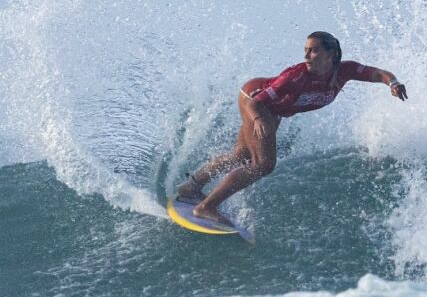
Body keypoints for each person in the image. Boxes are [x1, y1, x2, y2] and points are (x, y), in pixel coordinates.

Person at [175, 31, 408, 224]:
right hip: (256, 100)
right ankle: (206, 207)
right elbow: (257, 102)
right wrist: (257, 121)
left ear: (331, 54)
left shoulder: (344, 71)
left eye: (314, 50)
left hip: (271, 109)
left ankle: (190, 187)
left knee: (241, 154)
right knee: (263, 164)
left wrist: (393, 83)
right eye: (306, 50)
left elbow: (375, 73)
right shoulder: (296, 77)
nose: (307, 55)